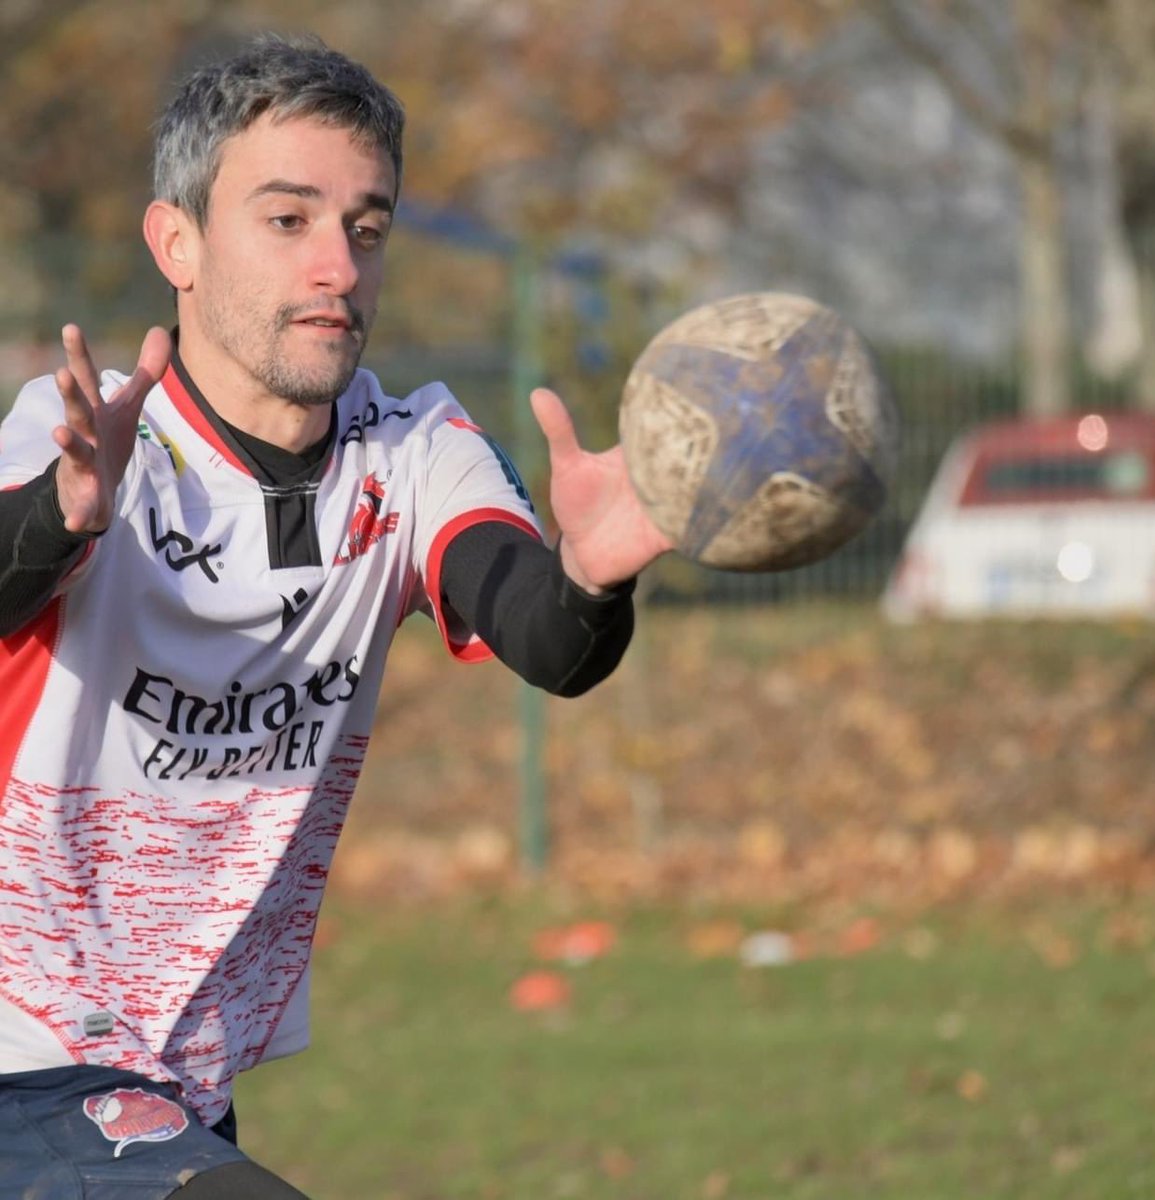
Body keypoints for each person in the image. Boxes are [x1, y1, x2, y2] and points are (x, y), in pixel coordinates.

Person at [0, 31, 671, 1199]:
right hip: (24, 1060)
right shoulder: (88, 436)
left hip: (173, 1089)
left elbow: (543, 634)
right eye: (288, 219)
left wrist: (594, 576)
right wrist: (62, 516)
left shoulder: (412, 455)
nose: (339, 266)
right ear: (179, 244)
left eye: (366, 227)